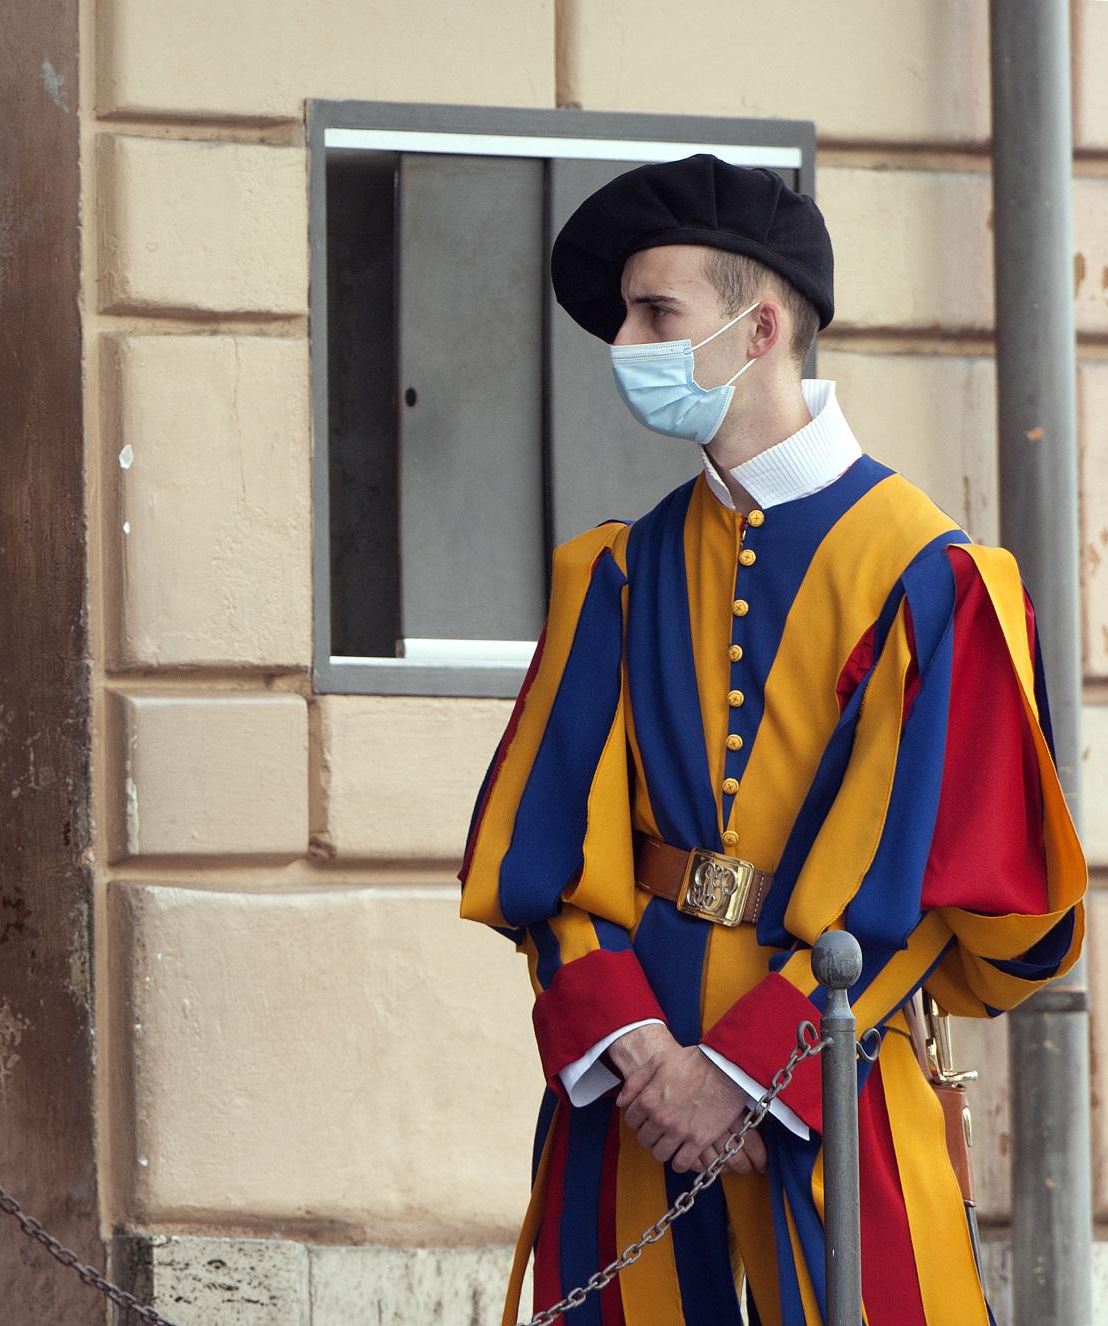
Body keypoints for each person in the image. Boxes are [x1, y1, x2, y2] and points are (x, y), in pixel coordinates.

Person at [460, 154, 1085, 1325]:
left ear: (757, 329)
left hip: (831, 1080)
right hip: (630, 1094)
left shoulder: (933, 579)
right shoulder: (614, 572)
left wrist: (744, 1075)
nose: (626, 345)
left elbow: (937, 877)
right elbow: (548, 853)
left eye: (657, 314)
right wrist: (646, 1062)